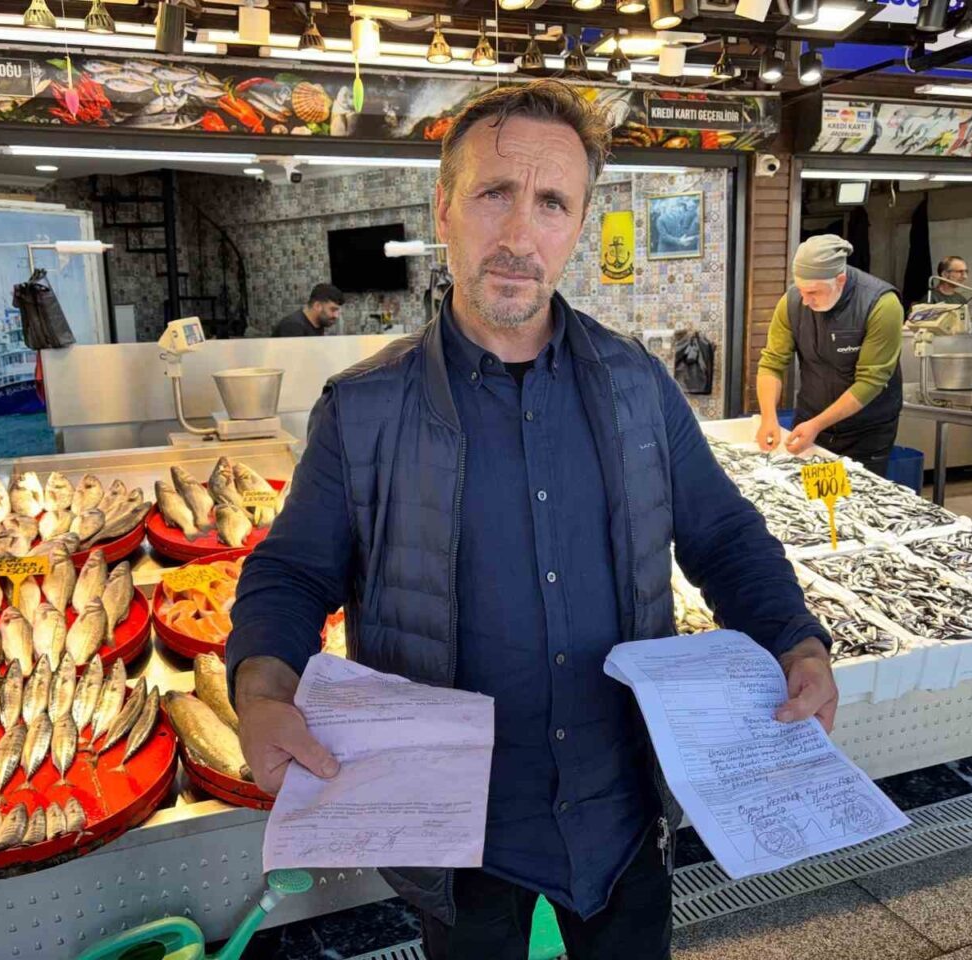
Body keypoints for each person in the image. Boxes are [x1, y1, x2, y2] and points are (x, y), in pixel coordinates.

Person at [228, 81, 836, 960]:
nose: (520, 234)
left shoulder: (638, 388)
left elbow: (724, 535)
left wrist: (796, 641)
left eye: (552, 203)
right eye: (494, 194)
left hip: (622, 810)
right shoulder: (363, 410)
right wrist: (261, 687)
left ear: (578, 225)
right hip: (456, 826)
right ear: (443, 208)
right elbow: (292, 572)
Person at [755, 235, 905, 478]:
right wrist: (769, 418)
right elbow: (772, 363)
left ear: (840, 280)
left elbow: (871, 380)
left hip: (865, 431)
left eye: (813, 292)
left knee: (855, 496)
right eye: (801, 290)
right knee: (808, 495)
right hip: (810, 421)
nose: (805, 301)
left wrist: (817, 424)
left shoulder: (881, 304)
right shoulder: (792, 302)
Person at [245, 283, 345, 337]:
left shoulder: (318, 323)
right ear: (317, 306)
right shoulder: (293, 326)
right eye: (333, 310)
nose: (336, 316)